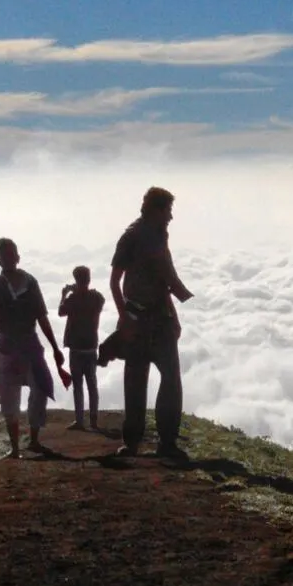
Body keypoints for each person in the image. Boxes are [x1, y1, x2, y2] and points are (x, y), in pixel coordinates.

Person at [106, 186, 193, 459]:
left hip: (161, 318)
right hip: (138, 319)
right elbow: (114, 282)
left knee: (170, 378)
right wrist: (125, 319)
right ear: (155, 209)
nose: (170, 217)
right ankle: (132, 442)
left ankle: (167, 442)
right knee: (135, 379)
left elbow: (164, 284)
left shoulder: (157, 236)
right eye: (167, 211)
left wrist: (174, 317)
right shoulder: (132, 237)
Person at [0, 237, 67, 458]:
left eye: (11, 254)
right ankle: (15, 448)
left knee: (40, 391)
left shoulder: (30, 282)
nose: (8, 259)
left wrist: (55, 348)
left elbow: (42, 317)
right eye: (4, 255)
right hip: (6, 348)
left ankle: (33, 441)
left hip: (31, 347)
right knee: (9, 399)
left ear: (18, 256)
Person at [58, 264, 106, 433]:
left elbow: (60, 311)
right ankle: (93, 420)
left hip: (76, 348)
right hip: (91, 346)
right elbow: (101, 299)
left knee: (78, 385)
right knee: (92, 384)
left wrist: (65, 294)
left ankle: (80, 420)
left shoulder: (72, 300)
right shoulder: (96, 298)